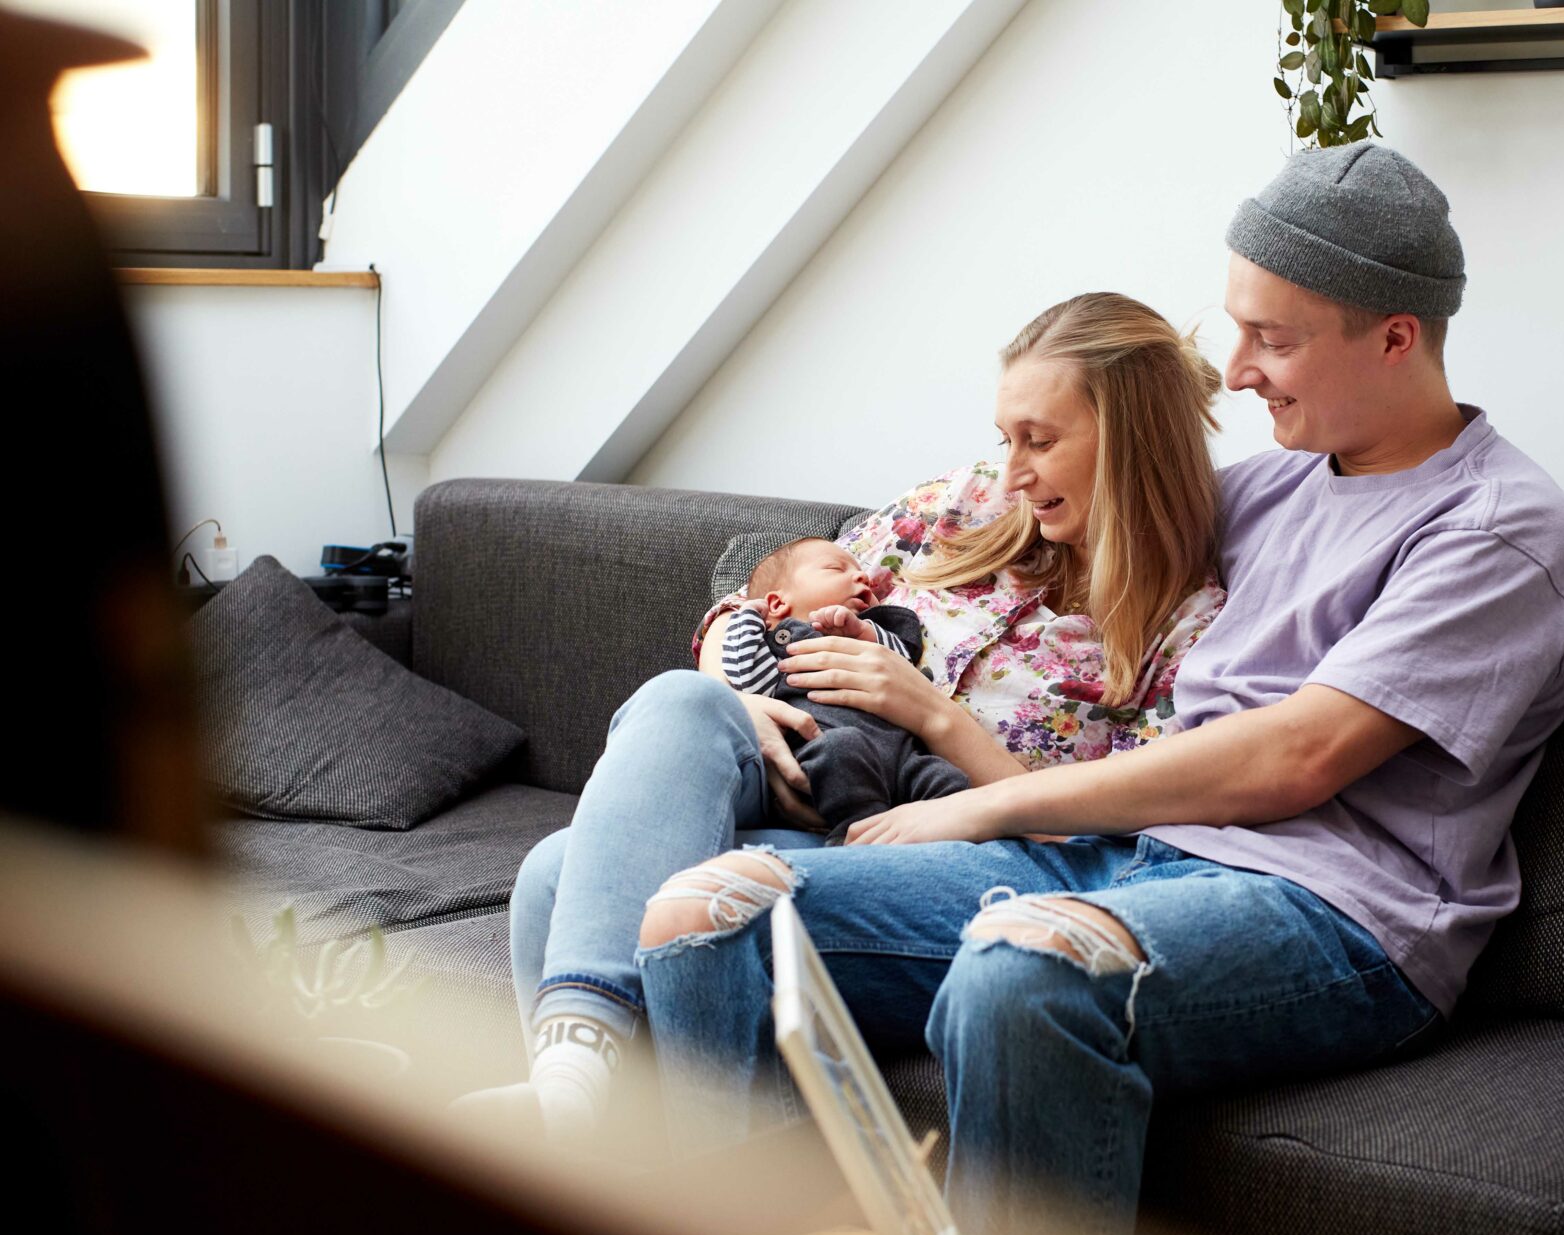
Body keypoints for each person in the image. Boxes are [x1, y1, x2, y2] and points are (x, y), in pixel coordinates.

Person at [627, 144, 1564, 1235]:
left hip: (1340, 914)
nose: (1238, 370)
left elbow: (1300, 754)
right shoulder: (1275, 486)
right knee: (704, 913)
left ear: (1396, 336)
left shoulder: (1500, 528)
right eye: (1236, 330)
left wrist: (986, 803)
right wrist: (760, 624)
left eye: (1274, 339)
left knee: (1022, 970)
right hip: (1135, 859)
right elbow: (1058, 503)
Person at [489, 291, 1228, 1147]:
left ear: (1132, 439)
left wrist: (935, 717)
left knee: (559, 872)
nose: (1012, 473)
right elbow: (762, 586)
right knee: (676, 708)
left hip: (934, 845)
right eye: (1006, 440)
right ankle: (572, 1119)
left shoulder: (1190, 625)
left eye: (1040, 441)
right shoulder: (965, 504)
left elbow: (1116, 833)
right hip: (793, 769)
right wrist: (739, 689)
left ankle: (605, 1152)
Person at [715, 536, 968, 842]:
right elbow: (748, 681)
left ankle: (958, 846)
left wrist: (864, 632)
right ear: (778, 603)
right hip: (827, 752)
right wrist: (748, 618)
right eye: (836, 569)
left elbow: (902, 667)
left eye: (860, 571)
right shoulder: (782, 647)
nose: (862, 577)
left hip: (904, 758)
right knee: (840, 750)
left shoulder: (875, 631)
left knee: (951, 782)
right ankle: (856, 836)